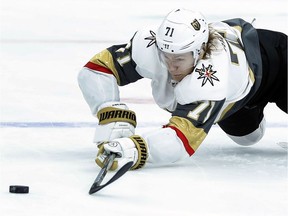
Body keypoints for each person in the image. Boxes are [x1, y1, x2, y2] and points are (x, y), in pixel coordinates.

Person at [78, 8, 287, 171]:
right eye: (165, 56)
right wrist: (110, 112)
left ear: (200, 52)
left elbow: (181, 140)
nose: (171, 66)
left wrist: (135, 150)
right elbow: (96, 69)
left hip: (277, 59)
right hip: (240, 96)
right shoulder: (153, 46)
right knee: (248, 138)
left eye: (179, 58)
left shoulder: (213, 76)